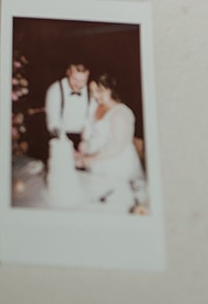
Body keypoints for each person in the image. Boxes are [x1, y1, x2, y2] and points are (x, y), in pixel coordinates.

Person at [75, 75, 145, 213]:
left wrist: (89, 159)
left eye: (99, 90)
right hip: (96, 165)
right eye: (92, 91)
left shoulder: (121, 112)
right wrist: (83, 147)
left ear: (110, 89)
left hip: (117, 167)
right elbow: (89, 131)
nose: (95, 95)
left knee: (116, 206)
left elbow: (116, 147)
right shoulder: (95, 105)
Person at [44, 61, 91, 153]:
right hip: (61, 137)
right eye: (74, 79)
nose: (78, 84)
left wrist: (85, 141)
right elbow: (53, 124)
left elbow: (92, 118)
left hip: (84, 139)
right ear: (68, 73)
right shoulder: (55, 90)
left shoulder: (90, 91)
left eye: (82, 81)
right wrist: (67, 148)